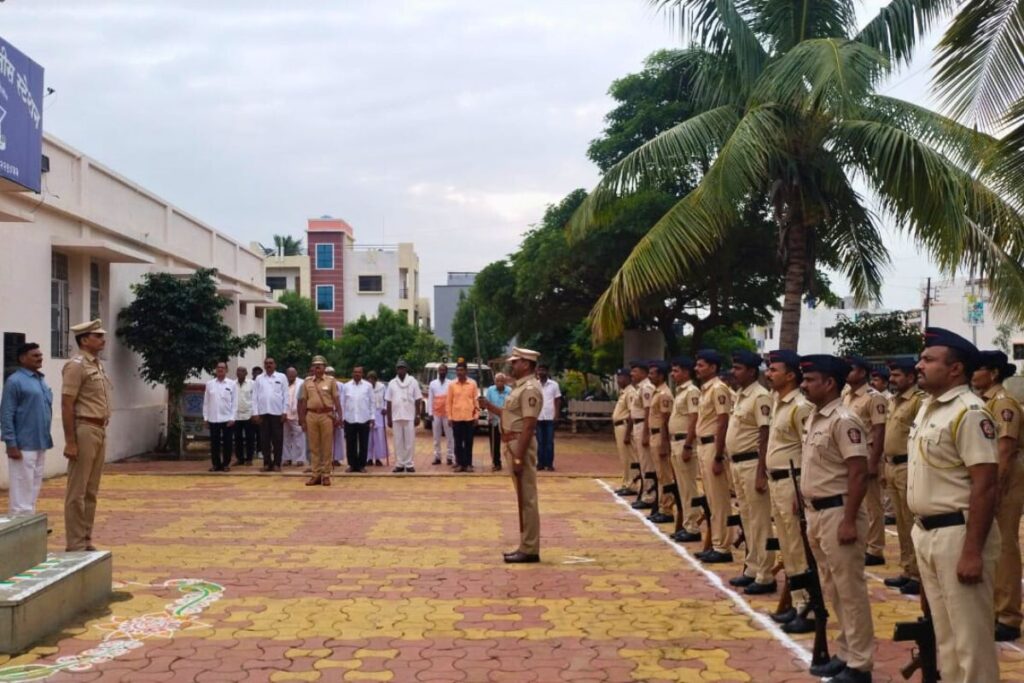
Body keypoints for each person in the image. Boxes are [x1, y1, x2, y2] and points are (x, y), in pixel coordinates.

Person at [910, 328, 1000, 682]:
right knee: (946, 638)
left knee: (970, 641)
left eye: (929, 360)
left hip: (958, 534)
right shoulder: (930, 408)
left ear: (955, 369)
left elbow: (986, 483)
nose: (920, 365)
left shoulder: (970, 412)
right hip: (928, 532)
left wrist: (972, 551)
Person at [799, 354, 875, 682]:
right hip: (818, 512)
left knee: (850, 589)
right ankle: (845, 653)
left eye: (809, 379)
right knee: (834, 588)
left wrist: (848, 520)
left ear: (829, 383)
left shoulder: (844, 420)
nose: (803, 384)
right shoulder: (817, 417)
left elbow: (858, 474)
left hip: (838, 512)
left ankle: (860, 664)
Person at [764, 350, 815, 634]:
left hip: (792, 483)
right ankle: (796, 603)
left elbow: (808, 450)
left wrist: (802, 490)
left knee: (798, 546)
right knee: (787, 546)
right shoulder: (778, 402)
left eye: (774, 369)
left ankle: (807, 605)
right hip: (777, 481)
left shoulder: (800, 406)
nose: (769, 373)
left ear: (790, 375)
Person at [973, 349, 1023, 642]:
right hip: (990, 477)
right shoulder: (984, 402)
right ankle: (994, 607)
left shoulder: (1003, 403)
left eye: (977, 369)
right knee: (990, 544)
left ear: (992, 373)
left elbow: (1005, 451)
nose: (972, 374)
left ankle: (1008, 616)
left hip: (1005, 478)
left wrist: (992, 489)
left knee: (1004, 546)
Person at [479, 347, 543, 563]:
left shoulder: (530, 389)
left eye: (515, 362)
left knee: (527, 498)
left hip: (519, 445)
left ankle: (530, 548)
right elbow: (509, 414)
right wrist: (488, 406)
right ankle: (525, 544)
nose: (512, 365)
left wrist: (518, 457)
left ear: (526, 364)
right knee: (522, 496)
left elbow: (528, 426)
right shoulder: (518, 388)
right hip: (511, 443)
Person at [725, 350, 775, 595]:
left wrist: (761, 472)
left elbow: (765, 435)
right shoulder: (740, 396)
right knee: (747, 519)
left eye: (739, 368)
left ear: (752, 372)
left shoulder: (760, 397)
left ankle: (766, 574)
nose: (734, 372)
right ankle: (752, 568)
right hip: (737, 464)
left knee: (760, 521)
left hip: (751, 463)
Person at [61, 319, 113, 552]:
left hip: (100, 429)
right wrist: (70, 441)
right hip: (84, 429)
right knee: (77, 491)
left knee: (91, 490)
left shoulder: (97, 365)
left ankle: (86, 538)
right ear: (84, 340)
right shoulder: (76, 365)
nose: (102, 339)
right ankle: (75, 542)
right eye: (98, 336)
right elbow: (67, 404)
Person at [881, 358, 926, 596]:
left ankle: (919, 574)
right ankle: (908, 569)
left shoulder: (918, 402)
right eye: (891, 374)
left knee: (911, 521)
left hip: (908, 465)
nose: (892, 379)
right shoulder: (894, 401)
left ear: (910, 377)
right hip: (892, 466)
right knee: (900, 521)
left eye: (897, 375)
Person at [842, 355, 888, 566]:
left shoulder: (874, 397)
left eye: (851, 368)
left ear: (862, 372)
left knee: (871, 504)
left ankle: (875, 548)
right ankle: (861, 542)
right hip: (850, 456)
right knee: (854, 503)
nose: (847, 372)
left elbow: (879, 430)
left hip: (867, 454)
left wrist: (874, 461)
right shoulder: (846, 395)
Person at [1, 342, 53, 516]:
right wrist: (11, 443)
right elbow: (7, 413)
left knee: (33, 486)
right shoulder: (15, 381)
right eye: (35, 355)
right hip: (22, 444)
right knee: (21, 486)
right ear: (22, 359)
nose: (40, 358)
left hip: (40, 442)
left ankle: (30, 523)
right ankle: (18, 523)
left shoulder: (40, 380)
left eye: (40, 355)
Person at [694, 349, 735, 563]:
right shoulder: (706, 389)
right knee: (711, 498)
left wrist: (719, 455)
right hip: (703, 446)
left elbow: (722, 421)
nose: (697, 369)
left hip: (713, 446)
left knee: (719, 499)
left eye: (701, 365)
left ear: (712, 367)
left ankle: (723, 546)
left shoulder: (719, 389)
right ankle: (717, 542)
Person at [668, 357, 701, 543]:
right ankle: (688, 524)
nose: (673, 374)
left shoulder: (691, 392)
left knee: (689, 487)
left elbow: (693, 418)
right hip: (676, 442)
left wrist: (688, 444)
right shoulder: (680, 392)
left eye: (677, 370)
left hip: (684, 442)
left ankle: (693, 526)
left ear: (687, 372)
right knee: (682, 487)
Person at [298, 355, 341, 486]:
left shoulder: (331, 381)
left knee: (326, 446)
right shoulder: (307, 382)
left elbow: (336, 400)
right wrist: (302, 419)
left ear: (324, 367)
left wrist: (340, 416)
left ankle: (326, 475)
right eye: (315, 365)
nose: (317, 367)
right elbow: (303, 401)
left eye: (320, 365)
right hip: (311, 415)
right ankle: (315, 474)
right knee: (314, 447)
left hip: (326, 415)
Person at [646, 360, 675, 524]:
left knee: (665, 475)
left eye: (652, 373)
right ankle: (661, 506)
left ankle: (667, 508)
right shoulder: (657, 392)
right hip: (654, 435)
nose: (650, 376)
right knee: (659, 474)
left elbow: (666, 419)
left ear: (661, 375)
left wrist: (664, 442)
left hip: (660, 436)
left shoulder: (664, 394)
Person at [628, 361, 657, 510]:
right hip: (638, 425)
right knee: (643, 462)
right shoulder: (639, 388)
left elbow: (648, 411)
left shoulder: (646, 387)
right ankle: (646, 493)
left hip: (643, 426)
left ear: (644, 373)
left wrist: (646, 432)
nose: (632, 374)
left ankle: (650, 496)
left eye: (635, 371)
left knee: (647, 463)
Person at [386, 359, 422, 473]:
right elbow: (388, 401)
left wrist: (417, 415)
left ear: (406, 369)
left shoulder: (413, 381)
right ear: (396, 369)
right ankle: (399, 464)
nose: (400, 370)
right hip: (396, 416)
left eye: (402, 367)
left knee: (409, 441)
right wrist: (389, 417)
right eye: (398, 368)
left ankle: (409, 463)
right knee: (398, 441)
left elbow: (418, 399)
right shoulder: (392, 383)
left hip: (409, 415)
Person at [253, 358, 287, 472]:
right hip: (263, 413)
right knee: (264, 440)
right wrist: (255, 413)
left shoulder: (281, 377)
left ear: (275, 365)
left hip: (277, 413)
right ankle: (267, 463)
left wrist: (284, 411)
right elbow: (255, 397)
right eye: (266, 363)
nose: (269, 365)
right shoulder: (259, 378)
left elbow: (285, 395)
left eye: (271, 363)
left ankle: (277, 463)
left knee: (278, 440)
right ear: (264, 365)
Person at [202, 361, 237, 472]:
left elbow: (235, 402)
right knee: (214, 443)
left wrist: (233, 417)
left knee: (227, 443)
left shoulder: (232, 384)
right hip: (213, 418)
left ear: (226, 370)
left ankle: (226, 464)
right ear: (215, 370)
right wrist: (205, 418)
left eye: (222, 368)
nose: (220, 369)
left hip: (227, 418)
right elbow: (206, 402)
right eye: (218, 367)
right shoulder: (210, 384)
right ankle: (216, 464)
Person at [447, 359, 480, 472]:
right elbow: (449, 402)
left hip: (469, 418)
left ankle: (469, 464)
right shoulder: (452, 385)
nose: (459, 372)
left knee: (469, 442)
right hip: (456, 418)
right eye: (457, 370)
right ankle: (460, 464)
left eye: (461, 370)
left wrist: (476, 416)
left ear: (466, 371)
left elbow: (476, 401)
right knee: (458, 442)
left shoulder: (473, 384)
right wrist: (450, 417)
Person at [611, 368, 638, 496]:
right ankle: (626, 481)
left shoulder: (631, 392)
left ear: (628, 378)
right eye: (618, 377)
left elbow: (632, 413)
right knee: (624, 457)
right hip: (619, 427)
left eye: (621, 377)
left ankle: (631, 484)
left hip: (625, 426)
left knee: (629, 457)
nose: (618, 380)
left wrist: (628, 433)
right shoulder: (624, 392)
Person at [343, 366, 374, 473]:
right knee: (350, 443)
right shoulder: (346, 386)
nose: (357, 374)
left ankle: (361, 465)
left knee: (363, 443)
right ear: (352, 373)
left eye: (359, 372)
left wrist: (372, 417)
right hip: (349, 418)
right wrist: (341, 418)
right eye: (355, 372)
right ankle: (352, 465)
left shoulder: (368, 386)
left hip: (364, 418)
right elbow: (342, 403)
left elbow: (372, 402)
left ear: (362, 374)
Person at [427, 362, 455, 465]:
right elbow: (430, 398)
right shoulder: (433, 383)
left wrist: (452, 414)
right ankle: (437, 457)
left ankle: (450, 457)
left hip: (447, 413)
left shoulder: (451, 383)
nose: (442, 372)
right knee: (436, 437)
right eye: (440, 370)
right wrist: (429, 413)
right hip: (436, 413)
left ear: (446, 372)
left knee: (450, 436)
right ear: (438, 372)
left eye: (444, 370)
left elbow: (453, 399)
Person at [535, 364, 562, 471]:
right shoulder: (535, 385)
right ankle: (540, 463)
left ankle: (549, 464)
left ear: (547, 371)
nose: (541, 372)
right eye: (539, 370)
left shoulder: (554, 385)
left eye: (543, 370)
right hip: (538, 417)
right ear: (537, 371)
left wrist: (557, 415)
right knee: (540, 442)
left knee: (549, 442)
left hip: (550, 416)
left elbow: (558, 400)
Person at [485, 373, 511, 472]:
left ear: (505, 382)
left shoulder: (509, 391)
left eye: (501, 381)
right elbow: (487, 403)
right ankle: (496, 463)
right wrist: (490, 414)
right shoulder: (491, 390)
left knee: (509, 443)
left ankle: (512, 462)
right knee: (494, 443)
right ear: (495, 381)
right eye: (497, 381)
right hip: (494, 420)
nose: (499, 383)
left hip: (506, 420)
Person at [282, 367, 306, 467]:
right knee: (285, 437)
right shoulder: (282, 383)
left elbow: (304, 399)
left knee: (300, 438)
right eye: (289, 374)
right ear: (286, 375)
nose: (291, 376)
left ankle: (300, 459)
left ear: (296, 374)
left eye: (293, 374)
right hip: (284, 414)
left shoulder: (302, 383)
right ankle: (287, 458)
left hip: (297, 414)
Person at [233, 366, 257, 466]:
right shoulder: (232, 384)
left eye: (242, 371)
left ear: (246, 373)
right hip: (236, 415)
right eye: (238, 371)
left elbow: (255, 399)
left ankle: (249, 459)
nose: (240, 373)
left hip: (248, 415)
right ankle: (240, 459)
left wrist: (254, 413)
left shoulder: (252, 384)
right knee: (237, 438)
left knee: (249, 438)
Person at [367, 371, 389, 467]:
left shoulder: (382, 387)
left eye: (373, 378)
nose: (371, 380)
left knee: (379, 437)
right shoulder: (366, 387)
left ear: (376, 379)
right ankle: (369, 458)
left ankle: (378, 458)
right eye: (369, 378)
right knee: (369, 437)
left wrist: (385, 408)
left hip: (379, 414)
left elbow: (386, 399)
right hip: (368, 414)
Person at [327, 367, 345, 467]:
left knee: (338, 438)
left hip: (337, 414)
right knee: (327, 438)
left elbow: (342, 401)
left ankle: (336, 458)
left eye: (331, 373)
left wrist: (339, 417)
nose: (330, 375)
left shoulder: (341, 386)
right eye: (328, 373)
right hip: (327, 414)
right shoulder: (323, 385)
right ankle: (328, 459)